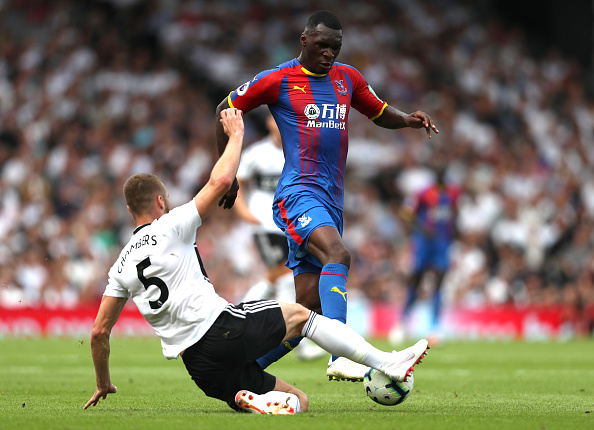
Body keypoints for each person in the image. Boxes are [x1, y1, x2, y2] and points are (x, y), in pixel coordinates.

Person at [83, 108, 430, 415]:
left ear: (130, 211)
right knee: (299, 315)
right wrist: (235, 136)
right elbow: (220, 181)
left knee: (299, 401)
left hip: (200, 369)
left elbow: (99, 333)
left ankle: (255, 400)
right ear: (161, 201)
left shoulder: (120, 266)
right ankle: (386, 361)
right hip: (219, 330)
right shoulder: (172, 224)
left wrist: (103, 382)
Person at [214, 10, 438, 381]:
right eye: (322, 45)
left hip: (332, 200)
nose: (329, 53)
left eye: (335, 47)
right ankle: (342, 355)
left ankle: (243, 371)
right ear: (304, 40)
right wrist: (228, 172)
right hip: (297, 193)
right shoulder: (278, 79)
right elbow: (225, 109)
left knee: (306, 309)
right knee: (339, 254)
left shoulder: (348, 79)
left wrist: (408, 120)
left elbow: (378, 112)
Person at [393, 164, 460, 343]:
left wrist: (453, 234)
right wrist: (423, 229)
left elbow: (454, 214)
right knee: (416, 279)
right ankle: (403, 322)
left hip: (442, 243)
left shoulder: (452, 193)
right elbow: (406, 214)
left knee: (439, 281)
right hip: (423, 242)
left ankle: (434, 327)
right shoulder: (423, 193)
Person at [234, 114, 295, 304]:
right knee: (286, 274)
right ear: (269, 122)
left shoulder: (300, 152)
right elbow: (238, 184)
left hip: (294, 221)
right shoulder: (256, 154)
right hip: (265, 220)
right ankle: (288, 325)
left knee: (278, 275)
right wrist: (243, 211)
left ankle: (242, 311)